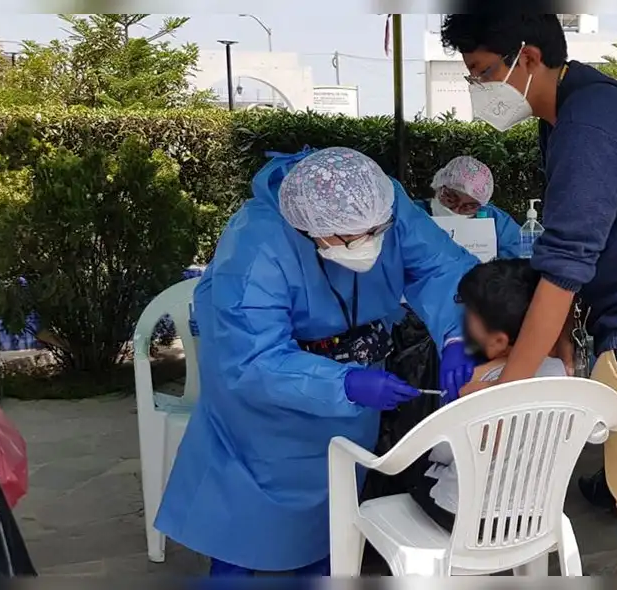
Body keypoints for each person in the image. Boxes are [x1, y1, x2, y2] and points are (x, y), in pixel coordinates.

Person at [440, 14, 617, 576]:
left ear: (528, 57)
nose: (477, 89)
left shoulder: (588, 126)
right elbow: (576, 250)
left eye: (483, 71)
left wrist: (505, 393)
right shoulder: (576, 104)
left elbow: (563, 269)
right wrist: (564, 346)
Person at [154, 147, 479, 577]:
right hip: (265, 413)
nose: (370, 245)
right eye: (349, 237)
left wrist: (457, 334)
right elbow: (254, 359)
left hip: (352, 393)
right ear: (307, 228)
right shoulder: (255, 245)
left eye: (378, 231)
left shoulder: (381, 200)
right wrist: (344, 385)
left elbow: (442, 268)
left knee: (334, 513)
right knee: (249, 523)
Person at [409, 258, 568, 531]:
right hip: (536, 516)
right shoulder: (561, 372)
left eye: (467, 320)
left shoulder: (477, 384)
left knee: (414, 475)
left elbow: (444, 451)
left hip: (466, 518)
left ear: (498, 340)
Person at [417, 155, 523, 259]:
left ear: (480, 205)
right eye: (451, 199)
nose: (456, 209)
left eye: (469, 207)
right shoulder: (413, 213)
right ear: (439, 188)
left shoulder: (497, 221)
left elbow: (518, 254)